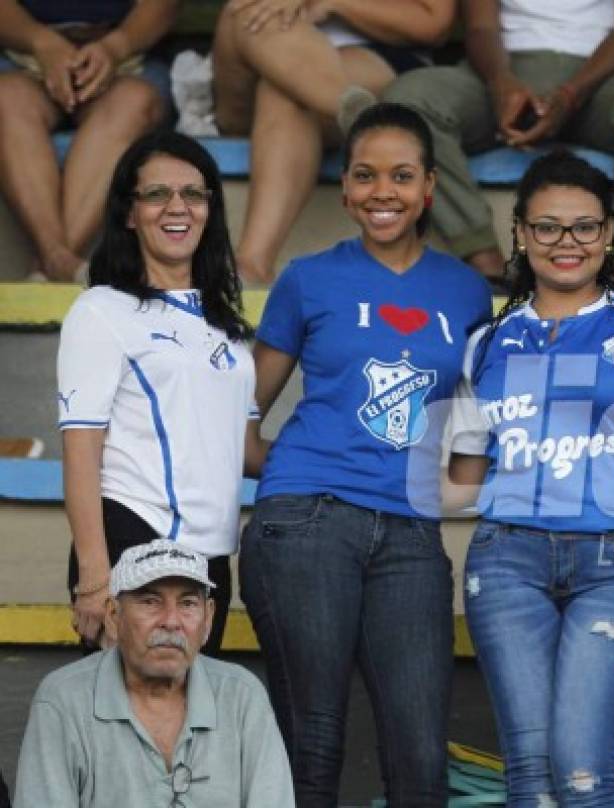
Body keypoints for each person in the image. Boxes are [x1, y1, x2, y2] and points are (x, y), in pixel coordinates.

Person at [239, 103, 492, 806]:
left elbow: (473, 426)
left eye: (402, 176)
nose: (384, 192)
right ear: (346, 190)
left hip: (410, 537)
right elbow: (243, 408)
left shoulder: (467, 291)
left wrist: (443, 489)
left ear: (430, 187)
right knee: (313, 743)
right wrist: (296, 467)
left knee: (419, 756)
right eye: (366, 176)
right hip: (307, 520)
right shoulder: (308, 279)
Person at [447, 150, 614, 805]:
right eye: (548, 227)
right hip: (506, 562)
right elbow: (466, 469)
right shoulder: (489, 342)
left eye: (584, 227)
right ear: (520, 234)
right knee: (530, 779)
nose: (567, 243)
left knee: (582, 771)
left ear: (610, 234)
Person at [57, 130, 257, 655]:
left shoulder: (229, 332)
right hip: (134, 544)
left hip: (211, 559)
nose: (178, 207)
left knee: (184, 729)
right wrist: (96, 576)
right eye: (156, 194)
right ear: (129, 213)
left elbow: (247, 448)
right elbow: (81, 449)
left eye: (193, 194)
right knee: (132, 726)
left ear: (210, 209)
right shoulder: (102, 309)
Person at [379, 0, 614, 298]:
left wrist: (571, 94)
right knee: (408, 103)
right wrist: (501, 82)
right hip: (504, 70)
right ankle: (487, 269)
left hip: (607, 77)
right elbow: (480, 27)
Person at [14, 539, 294, 807]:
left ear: (208, 618)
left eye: (187, 604)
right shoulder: (64, 700)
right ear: (113, 617)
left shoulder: (242, 696)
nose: (171, 622)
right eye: (150, 601)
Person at [212, 0, 452, 285]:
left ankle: (250, 266)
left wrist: (334, 3)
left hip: (373, 58)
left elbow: (433, 24)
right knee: (246, 12)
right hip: (260, 57)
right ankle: (359, 118)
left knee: (284, 92)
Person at [0, 0, 177, 282]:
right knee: (5, 99)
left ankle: (53, 261)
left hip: (128, 56)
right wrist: (41, 41)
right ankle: (59, 260)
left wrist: (114, 48)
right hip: (21, 54)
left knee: (132, 104)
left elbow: (162, 6)